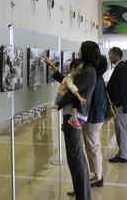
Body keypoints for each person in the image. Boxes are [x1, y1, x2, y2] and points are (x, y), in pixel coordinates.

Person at [44, 41, 100, 200]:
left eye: (81, 49)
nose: (79, 51)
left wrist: (59, 103)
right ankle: (81, 192)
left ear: (86, 51)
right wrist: (54, 69)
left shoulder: (88, 71)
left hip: (74, 116)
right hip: (74, 115)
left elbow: (70, 91)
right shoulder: (89, 70)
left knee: (76, 157)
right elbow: (69, 83)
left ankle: (83, 195)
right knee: (75, 156)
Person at [82, 54, 108, 187]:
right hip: (98, 115)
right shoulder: (99, 78)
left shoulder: (95, 78)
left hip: (94, 117)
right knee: (94, 145)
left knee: (93, 147)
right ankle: (98, 175)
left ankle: (98, 177)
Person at [107, 47, 127, 163]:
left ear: (116, 55)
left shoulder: (119, 68)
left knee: (121, 130)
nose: (109, 57)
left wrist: (114, 103)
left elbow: (119, 89)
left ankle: (123, 155)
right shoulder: (126, 66)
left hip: (121, 104)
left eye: (110, 55)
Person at [53, 58, 87, 129]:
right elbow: (71, 87)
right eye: (75, 70)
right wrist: (79, 97)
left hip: (64, 94)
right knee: (75, 98)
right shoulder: (69, 77)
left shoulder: (75, 77)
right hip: (61, 95)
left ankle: (64, 124)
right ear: (70, 70)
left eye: (80, 70)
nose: (77, 72)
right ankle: (73, 118)